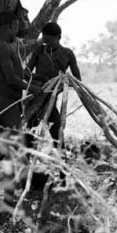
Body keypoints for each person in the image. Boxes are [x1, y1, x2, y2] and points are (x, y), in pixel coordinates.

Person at [0, 11, 42, 205]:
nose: (18, 29)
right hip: (7, 105)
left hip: (6, 104)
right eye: (16, 26)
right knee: (12, 153)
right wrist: (33, 88)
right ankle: (8, 201)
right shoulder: (2, 47)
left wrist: (31, 79)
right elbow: (10, 79)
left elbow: (15, 75)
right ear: (8, 25)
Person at [25, 22, 82, 182]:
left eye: (49, 40)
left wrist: (62, 83)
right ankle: (24, 177)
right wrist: (42, 80)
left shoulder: (67, 54)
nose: (46, 43)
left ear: (59, 38)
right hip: (34, 101)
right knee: (28, 137)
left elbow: (77, 80)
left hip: (51, 102)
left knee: (58, 138)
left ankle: (63, 180)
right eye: (44, 39)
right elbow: (26, 74)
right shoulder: (39, 50)